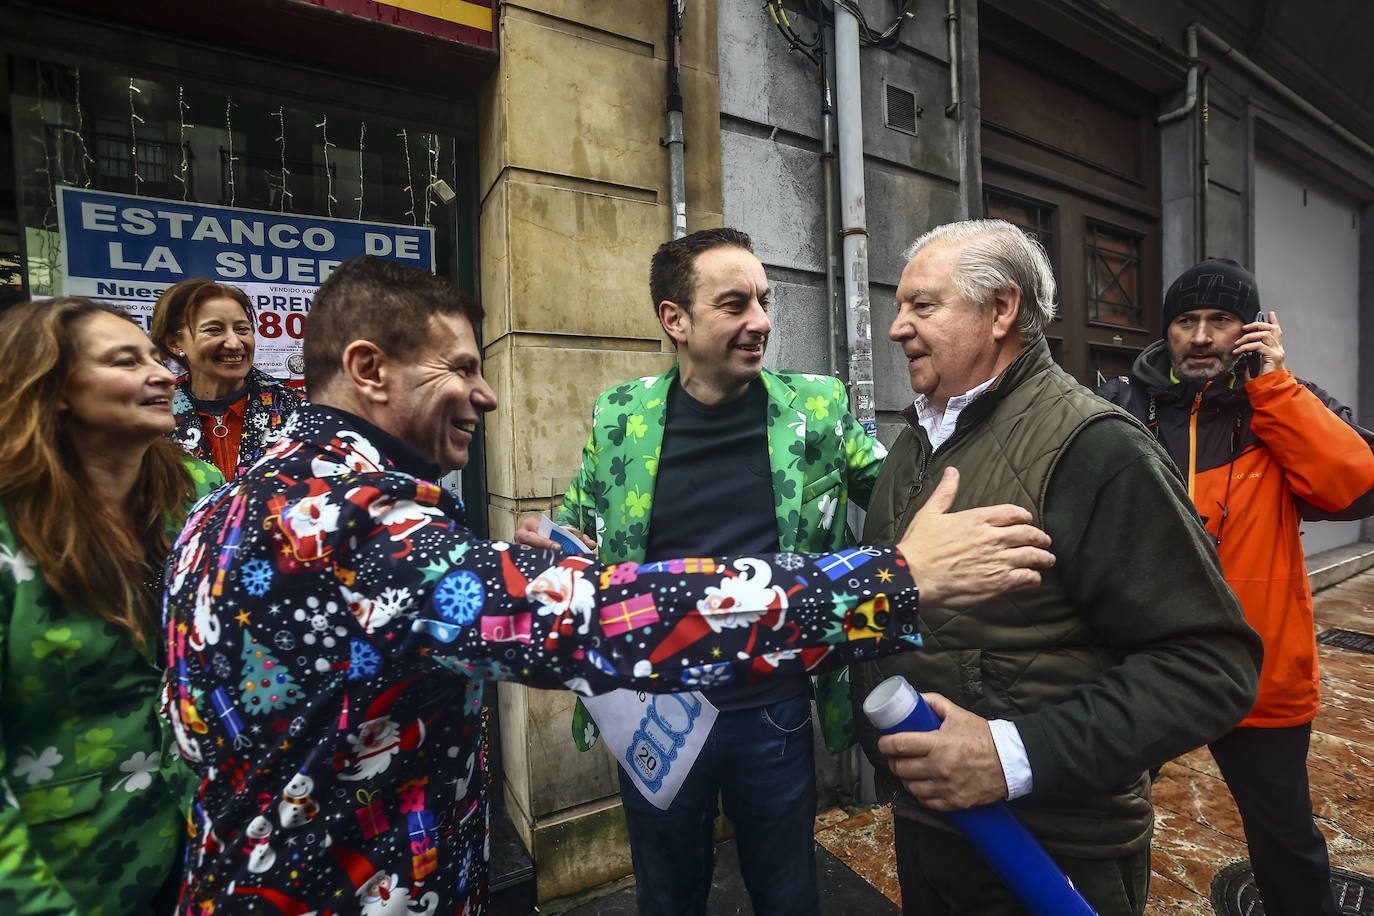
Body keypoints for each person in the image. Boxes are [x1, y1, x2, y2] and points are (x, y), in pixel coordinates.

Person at [163, 254, 1055, 914]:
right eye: (463, 368)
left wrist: (541, 557)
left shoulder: (230, 501)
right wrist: (892, 580)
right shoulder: (352, 523)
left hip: (252, 874)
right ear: (368, 370)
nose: (487, 397)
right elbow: (605, 619)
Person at [851, 221, 1264, 916]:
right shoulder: (913, 443)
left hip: (1049, 853)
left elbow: (1212, 667)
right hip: (931, 829)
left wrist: (1010, 754)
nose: (896, 328)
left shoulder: (1096, 448)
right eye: (899, 306)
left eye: (923, 306)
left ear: (1002, 310)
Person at [514, 226, 892, 915]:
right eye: (736, 304)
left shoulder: (818, 407)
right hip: (653, 711)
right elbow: (578, 521)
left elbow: (899, 491)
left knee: (787, 894)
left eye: (764, 300)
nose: (762, 322)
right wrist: (549, 538)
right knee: (667, 896)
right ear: (675, 320)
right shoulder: (620, 416)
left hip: (770, 709)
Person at [1097, 258, 1374, 916]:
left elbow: (1355, 485)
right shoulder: (1120, 407)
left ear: (1249, 330)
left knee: (1285, 840)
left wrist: (1274, 389)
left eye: (1220, 320)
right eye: (1185, 321)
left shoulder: (1285, 405)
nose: (1200, 336)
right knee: (1094, 818)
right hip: (1145, 665)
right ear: (1166, 333)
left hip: (1260, 671)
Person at [0, 298, 222, 915]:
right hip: (64, 877)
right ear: (53, 388)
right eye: (127, 362)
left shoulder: (200, 491)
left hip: (203, 852)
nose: (164, 374)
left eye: (157, 357)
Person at [150, 278, 303, 480]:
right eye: (214, 330)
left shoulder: (295, 407)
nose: (234, 343)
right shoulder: (155, 417)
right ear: (175, 343)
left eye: (242, 329)